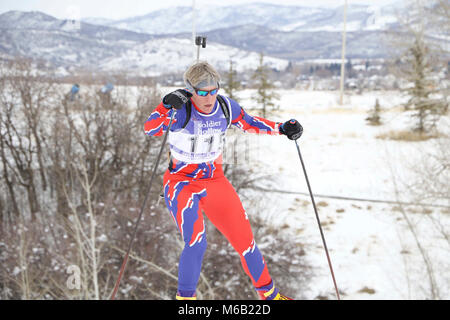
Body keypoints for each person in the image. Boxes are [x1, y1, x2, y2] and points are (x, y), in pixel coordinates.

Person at [144, 61, 303, 300]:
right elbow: (150, 128)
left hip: (214, 180)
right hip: (181, 182)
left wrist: (281, 128)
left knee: (245, 241)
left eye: (213, 90)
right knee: (197, 243)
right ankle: (186, 299)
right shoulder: (182, 110)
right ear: (190, 90)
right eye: (201, 92)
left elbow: (249, 123)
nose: (208, 97)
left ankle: (271, 296)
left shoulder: (225, 107)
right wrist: (165, 105)